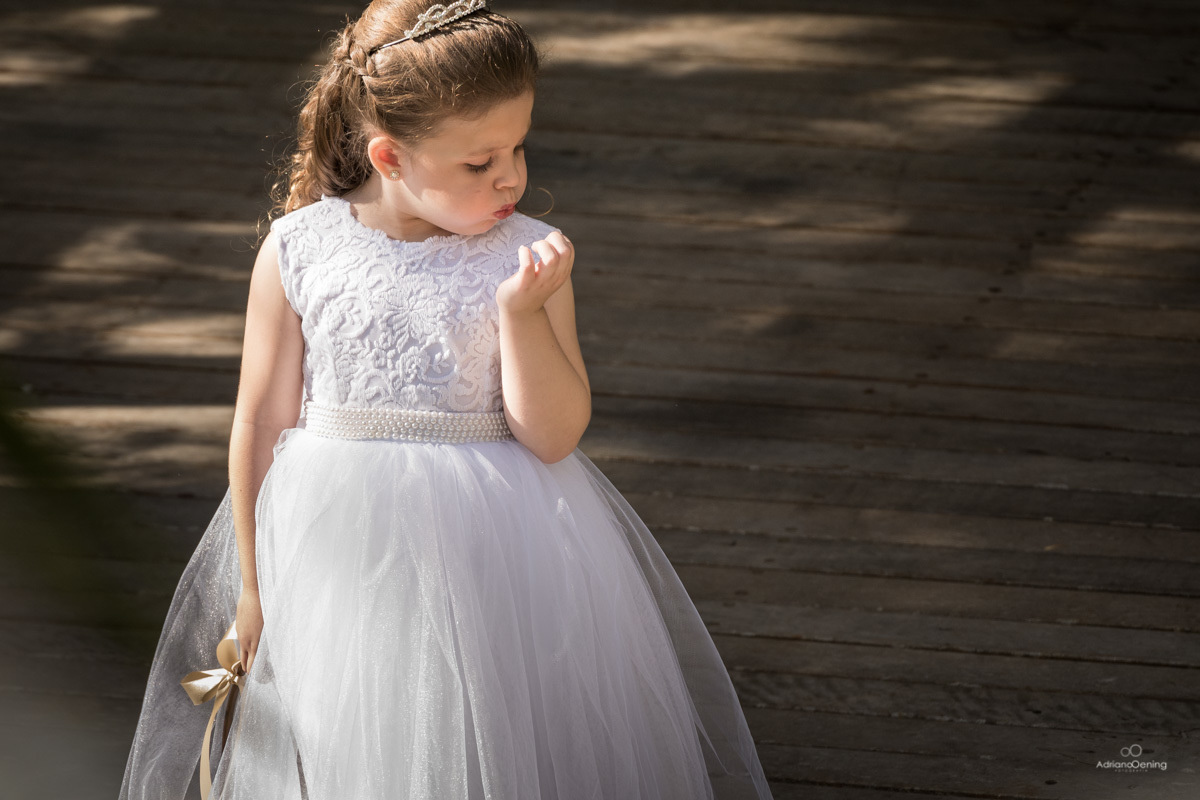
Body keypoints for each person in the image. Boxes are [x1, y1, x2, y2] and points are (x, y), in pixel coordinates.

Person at [118, 1, 775, 798]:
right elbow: (260, 421)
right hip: (340, 546)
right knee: (352, 724)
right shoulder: (299, 249)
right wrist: (254, 589)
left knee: (486, 725)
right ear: (389, 157)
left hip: (491, 546)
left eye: (519, 148)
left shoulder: (527, 257)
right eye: (479, 162)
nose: (511, 177)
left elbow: (554, 436)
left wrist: (520, 315)